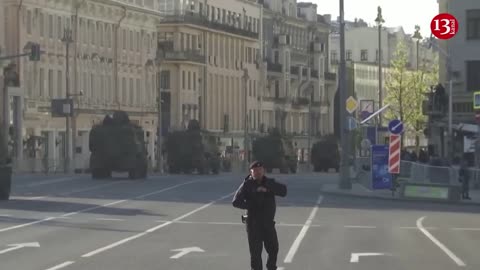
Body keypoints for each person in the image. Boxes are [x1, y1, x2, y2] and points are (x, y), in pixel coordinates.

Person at [232, 161, 287, 270]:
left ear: (264, 171)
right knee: (256, 254)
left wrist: (268, 189)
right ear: (251, 172)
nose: (258, 172)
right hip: (253, 224)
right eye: (255, 171)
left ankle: (271, 267)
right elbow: (235, 201)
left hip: (268, 223)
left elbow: (283, 191)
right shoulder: (247, 185)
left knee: (273, 249)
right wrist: (251, 205)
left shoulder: (269, 182)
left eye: (260, 170)